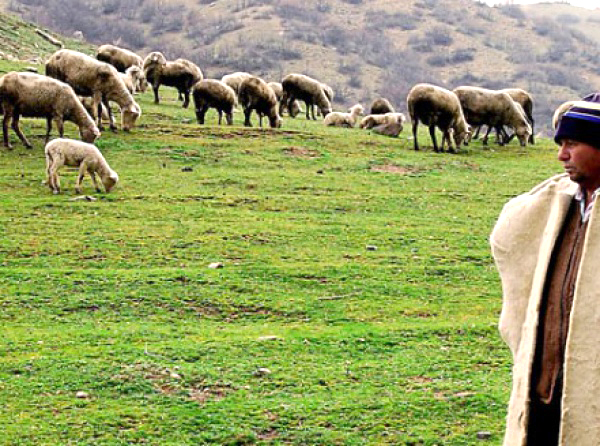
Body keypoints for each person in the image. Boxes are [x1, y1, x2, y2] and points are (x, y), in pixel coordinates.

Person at [490, 99, 600, 446]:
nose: (561, 155)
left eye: (572, 144)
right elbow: (508, 237)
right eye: (560, 145)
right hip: (545, 386)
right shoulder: (557, 202)